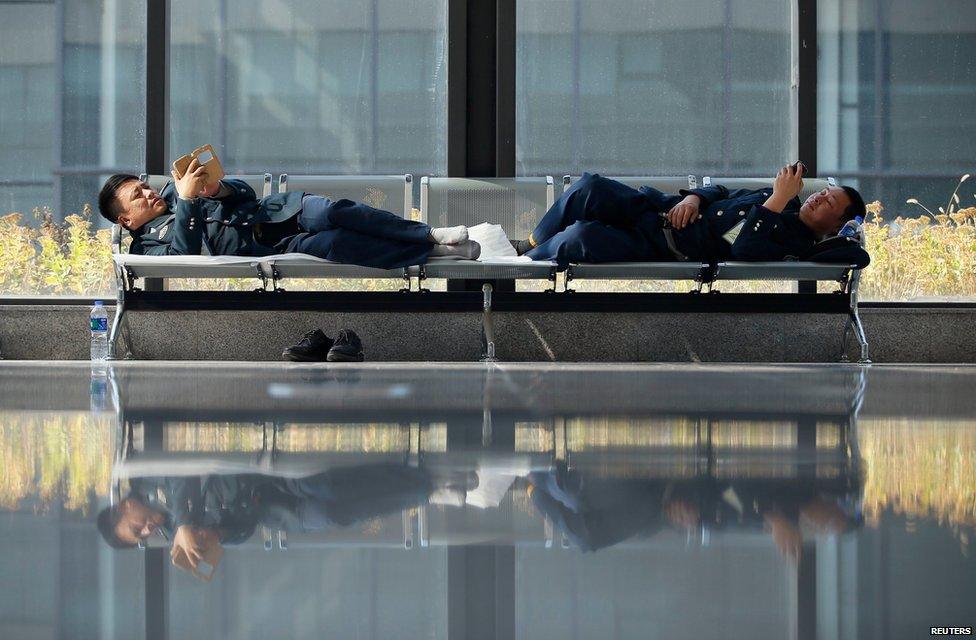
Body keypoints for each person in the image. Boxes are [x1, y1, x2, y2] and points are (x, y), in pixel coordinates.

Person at [96, 158, 480, 269]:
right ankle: (432, 253)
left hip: (279, 209)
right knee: (337, 244)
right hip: (270, 244)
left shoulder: (174, 190)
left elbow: (245, 194)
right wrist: (192, 202)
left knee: (337, 211)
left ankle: (429, 234)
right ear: (125, 220)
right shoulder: (146, 246)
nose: (148, 192)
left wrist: (218, 188)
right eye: (137, 194)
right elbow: (186, 254)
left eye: (144, 186)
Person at [512, 164, 869, 268]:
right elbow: (724, 193)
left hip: (665, 244)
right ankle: (523, 247)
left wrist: (777, 198)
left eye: (828, 203)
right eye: (821, 193)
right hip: (660, 210)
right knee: (589, 187)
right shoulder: (783, 202)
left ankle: (521, 260)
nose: (817, 198)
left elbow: (743, 248)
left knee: (581, 238)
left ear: (837, 224)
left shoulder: (793, 241)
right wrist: (696, 199)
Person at [97, 463, 475, 555]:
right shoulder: (176, 533)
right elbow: (243, 530)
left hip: (264, 478)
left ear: (126, 507)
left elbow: (184, 476)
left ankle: (420, 478)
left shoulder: (148, 481)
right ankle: (426, 492)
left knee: (324, 487)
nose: (147, 532)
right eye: (141, 537)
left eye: (136, 530)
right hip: (271, 511)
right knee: (331, 515)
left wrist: (186, 522)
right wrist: (221, 536)